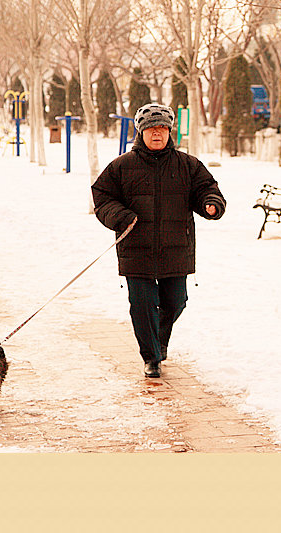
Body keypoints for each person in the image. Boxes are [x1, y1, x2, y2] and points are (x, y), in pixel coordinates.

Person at [91, 103, 226, 378]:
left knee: (176, 301)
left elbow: (207, 190)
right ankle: (151, 357)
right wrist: (120, 216)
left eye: (163, 128)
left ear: (169, 132)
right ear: (141, 132)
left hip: (175, 248)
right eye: (152, 129)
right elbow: (102, 198)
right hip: (135, 249)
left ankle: (158, 341)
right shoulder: (121, 166)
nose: (157, 134)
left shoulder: (187, 165)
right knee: (142, 305)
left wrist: (211, 204)